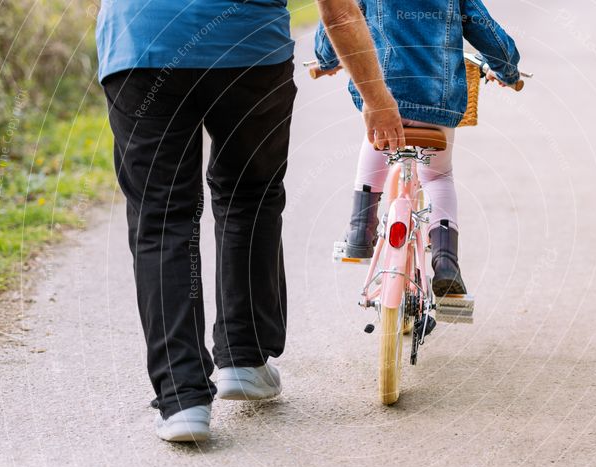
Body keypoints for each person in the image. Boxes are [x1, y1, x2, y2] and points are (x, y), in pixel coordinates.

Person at [97, 0, 405, 443]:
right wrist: (377, 100)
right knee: (250, 196)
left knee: (162, 217)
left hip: (141, 43)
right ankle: (245, 358)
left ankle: (182, 399)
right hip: (248, 50)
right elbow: (339, 11)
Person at [314, 0, 520, 297]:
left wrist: (327, 59)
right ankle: (446, 263)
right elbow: (486, 31)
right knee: (437, 177)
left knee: (375, 137)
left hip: (384, 95)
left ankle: (360, 229)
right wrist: (508, 71)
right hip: (436, 101)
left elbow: (337, 17)